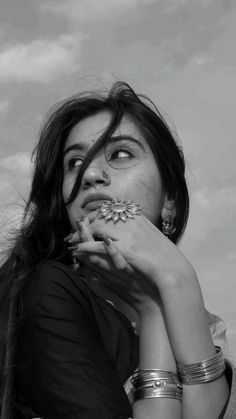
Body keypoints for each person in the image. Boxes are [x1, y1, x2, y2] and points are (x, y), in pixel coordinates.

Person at [0, 81, 235, 419]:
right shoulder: (45, 292)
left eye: (120, 154)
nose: (90, 174)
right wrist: (155, 305)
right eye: (75, 162)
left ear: (169, 201)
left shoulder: (208, 327)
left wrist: (177, 282)